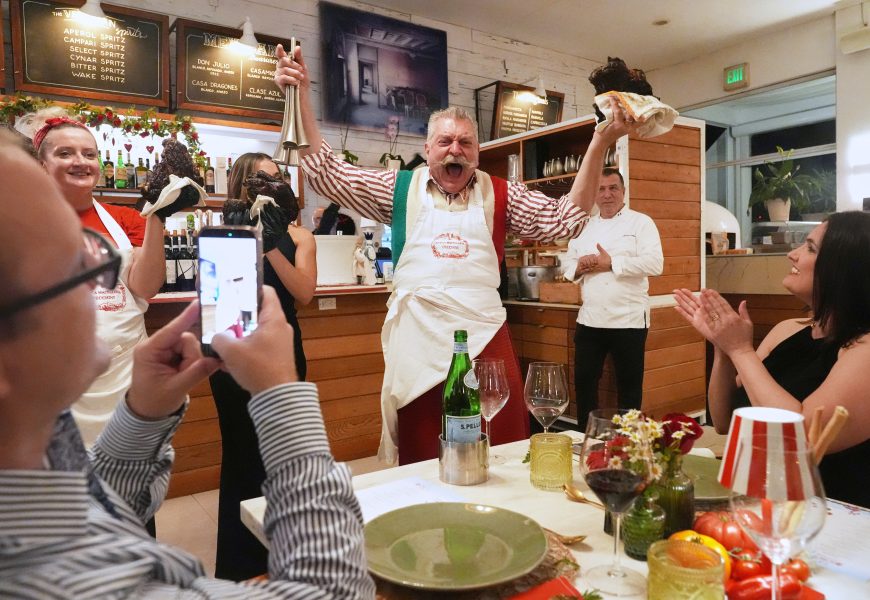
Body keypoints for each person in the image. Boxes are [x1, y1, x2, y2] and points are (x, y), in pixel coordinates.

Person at [0, 134, 375, 598]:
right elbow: (335, 590)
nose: (102, 289)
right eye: (71, 269)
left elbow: (99, 506)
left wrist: (143, 415)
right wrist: (282, 397)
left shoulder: (37, 496)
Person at [274, 45, 642, 465]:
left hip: (484, 333)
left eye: (465, 142)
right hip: (418, 338)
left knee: (500, 446)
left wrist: (600, 141)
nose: (455, 150)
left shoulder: (500, 193)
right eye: (445, 141)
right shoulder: (399, 189)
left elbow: (565, 221)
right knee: (422, 451)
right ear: (428, 148)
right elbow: (326, 173)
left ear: (477, 152)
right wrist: (301, 94)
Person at [674, 211, 870, 507]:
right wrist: (723, 348)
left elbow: (802, 438)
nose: (793, 254)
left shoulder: (863, 349)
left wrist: (741, 350)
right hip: (758, 501)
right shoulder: (786, 330)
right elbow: (725, 421)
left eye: (810, 248)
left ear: (844, 269)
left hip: (825, 512)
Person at [30, 114, 167, 446]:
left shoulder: (126, 219)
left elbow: (145, 287)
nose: (80, 161)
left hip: (125, 373)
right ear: (43, 165)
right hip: (51, 380)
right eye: (65, 153)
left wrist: (158, 214)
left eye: (89, 154)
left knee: (130, 463)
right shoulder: (22, 220)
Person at [211, 152, 317, 580]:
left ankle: (286, 560)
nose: (270, 187)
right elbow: (226, 302)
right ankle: (239, 568)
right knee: (241, 458)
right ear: (243, 184)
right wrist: (238, 238)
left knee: (282, 457)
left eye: (276, 179)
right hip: (233, 350)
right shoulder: (227, 229)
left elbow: (304, 292)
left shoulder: (299, 236)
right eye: (260, 180)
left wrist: (272, 244)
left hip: (283, 349)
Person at [561, 167, 663, 429]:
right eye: (601, 189)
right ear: (594, 194)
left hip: (629, 320)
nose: (607, 195)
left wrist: (612, 263)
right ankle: (587, 437)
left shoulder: (641, 223)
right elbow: (567, 264)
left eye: (613, 188)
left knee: (629, 388)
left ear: (623, 191)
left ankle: (628, 442)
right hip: (590, 319)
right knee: (584, 382)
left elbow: (655, 264)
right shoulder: (583, 226)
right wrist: (579, 267)